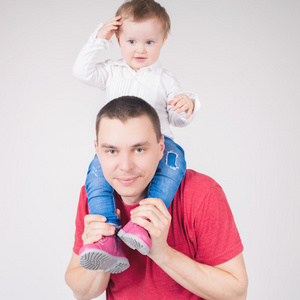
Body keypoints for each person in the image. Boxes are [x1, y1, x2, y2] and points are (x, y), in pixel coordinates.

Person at [65, 96, 248, 300]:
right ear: (97, 151)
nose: (125, 166)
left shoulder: (201, 193)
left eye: (139, 149)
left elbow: (236, 293)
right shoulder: (93, 197)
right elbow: (80, 293)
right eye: (111, 151)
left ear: (161, 148)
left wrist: (162, 253)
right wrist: (102, 260)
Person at [72, 0, 200, 271]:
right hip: (118, 146)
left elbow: (178, 118)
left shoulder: (165, 79)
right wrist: (98, 39)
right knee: (96, 180)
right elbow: (81, 71)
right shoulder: (111, 71)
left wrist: (186, 105)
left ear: (163, 41)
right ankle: (106, 239)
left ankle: (143, 226)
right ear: (118, 38)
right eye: (131, 41)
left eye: (149, 42)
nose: (140, 49)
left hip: (159, 144)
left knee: (173, 167)